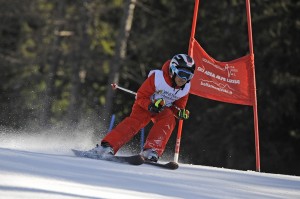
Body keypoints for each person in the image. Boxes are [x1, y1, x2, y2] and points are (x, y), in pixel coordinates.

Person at [91, 54, 195, 162]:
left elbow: (177, 107)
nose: (184, 79)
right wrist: (150, 106)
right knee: (135, 123)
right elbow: (141, 96)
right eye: (182, 74)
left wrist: (180, 113)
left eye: (189, 76)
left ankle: (151, 150)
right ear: (173, 69)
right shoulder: (158, 78)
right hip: (144, 105)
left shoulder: (185, 88)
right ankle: (107, 146)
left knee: (169, 119)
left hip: (161, 109)